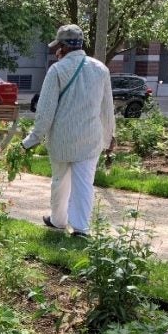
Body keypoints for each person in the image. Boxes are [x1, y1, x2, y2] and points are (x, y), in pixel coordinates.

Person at [21, 24, 114, 236]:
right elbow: (107, 108)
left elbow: (45, 111)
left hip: (62, 139)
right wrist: (109, 139)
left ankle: (58, 220)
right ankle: (81, 228)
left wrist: (32, 140)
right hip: (91, 138)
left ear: (63, 46)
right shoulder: (101, 69)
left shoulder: (57, 70)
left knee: (60, 181)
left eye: (58, 46)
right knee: (84, 184)